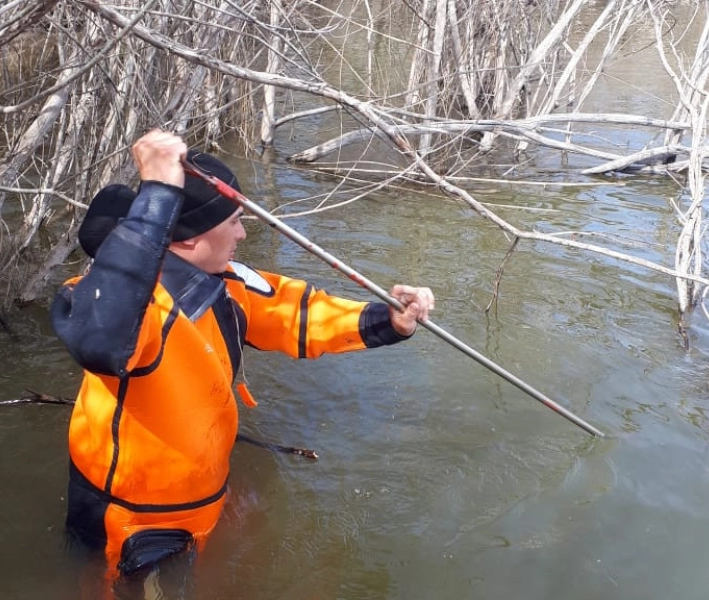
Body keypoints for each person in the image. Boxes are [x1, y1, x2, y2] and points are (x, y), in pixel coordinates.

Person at [49, 129, 435, 578]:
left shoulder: (226, 280)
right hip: (133, 524)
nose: (243, 232)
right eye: (232, 221)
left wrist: (386, 319)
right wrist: (156, 196)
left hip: (203, 498)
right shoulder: (129, 306)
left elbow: (296, 312)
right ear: (189, 239)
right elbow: (103, 339)